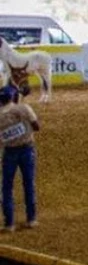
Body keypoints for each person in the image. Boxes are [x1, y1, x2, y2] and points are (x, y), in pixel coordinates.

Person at [0, 86, 40, 233]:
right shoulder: (24, 108)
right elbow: (37, 126)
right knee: (28, 184)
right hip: (26, 149)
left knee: (7, 188)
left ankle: (9, 223)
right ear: (13, 97)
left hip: (9, 152)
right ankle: (31, 219)